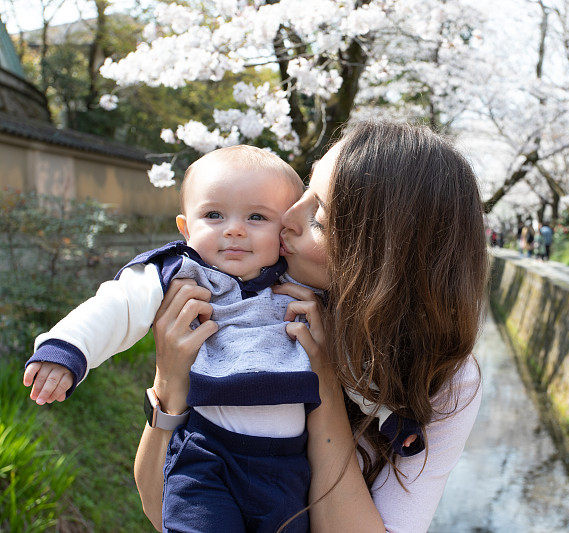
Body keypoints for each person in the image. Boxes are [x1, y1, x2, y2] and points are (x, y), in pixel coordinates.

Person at [22, 145, 418, 532]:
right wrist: (67, 349)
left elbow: (344, 361)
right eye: (213, 214)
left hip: (286, 467)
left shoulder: (298, 291)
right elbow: (116, 306)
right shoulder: (181, 275)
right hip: (206, 454)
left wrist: (386, 415)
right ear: (186, 227)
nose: (233, 229)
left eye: (257, 217)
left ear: (283, 232)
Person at [133, 121, 485, 532]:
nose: (288, 218)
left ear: (379, 256)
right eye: (306, 191)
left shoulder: (447, 378)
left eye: (318, 217)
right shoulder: (244, 293)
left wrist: (322, 381)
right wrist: (169, 383)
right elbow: (159, 512)